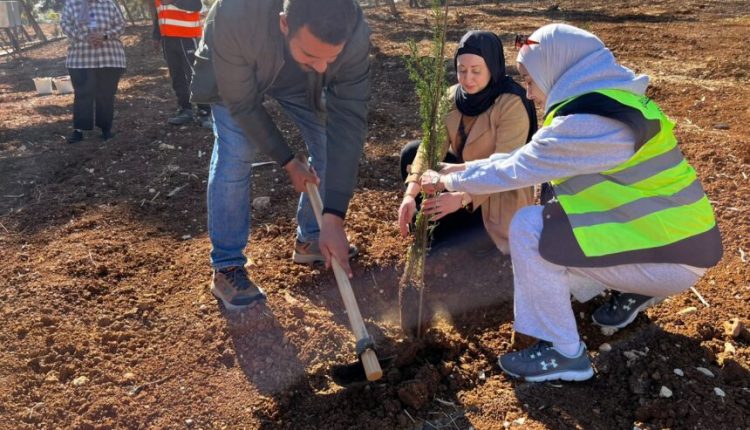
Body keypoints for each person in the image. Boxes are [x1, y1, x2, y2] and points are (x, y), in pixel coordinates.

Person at [420, 23, 723, 382]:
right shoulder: (613, 100)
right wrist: (466, 167)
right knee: (556, 210)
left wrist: (452, 179)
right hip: (675, 240)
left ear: (556, 68)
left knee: (530, 229)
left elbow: (521, 166)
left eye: (531, 80)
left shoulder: (588, 123)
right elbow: (533, 156)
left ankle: (564, 351)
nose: (529, 93)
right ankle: (636, 287)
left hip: (672, 258)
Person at [190, 0, 370, 310]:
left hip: (298, 80)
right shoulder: (237, 14)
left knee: (328, 140)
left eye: (333, 57)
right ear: (285, 23)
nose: (324, 67)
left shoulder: (352, 30)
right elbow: (243, 105)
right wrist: (288, 161)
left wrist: (334, 216)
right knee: (237, 150)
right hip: (237, 66)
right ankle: (227, 265)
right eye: (313, 54)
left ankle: (312, 236)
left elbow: (348, 124)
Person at [398, 31, 537, 254]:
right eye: (462, 70)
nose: (467, 79)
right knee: (411, 152)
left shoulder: (511, 103)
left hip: (494, 195)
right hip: (462, 180)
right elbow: (431, 146)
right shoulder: (452, 97)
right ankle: (440, 227)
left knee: (451, 245)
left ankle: (468, 238)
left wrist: (461, 199)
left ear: (493, 67)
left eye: (476, 71)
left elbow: (505, 168)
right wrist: (410, 195)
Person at [60, 0, 126, 144]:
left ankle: (105, 128)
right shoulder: (72, 4)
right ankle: (79, 130)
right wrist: (86, 37)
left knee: (106, 94)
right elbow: (65, 24)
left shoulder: (108, 4)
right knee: (83, 93)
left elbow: (120, 25)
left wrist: (104, 36)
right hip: (81, 58)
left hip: (109, 57)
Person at [151, 0, 212, 128]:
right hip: (167, 39)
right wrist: (156, 36)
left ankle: (205, 112)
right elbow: (159, 14)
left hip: (187, 36)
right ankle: (185, 110)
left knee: (194, 74)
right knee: (176, 76)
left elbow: (197, 5)